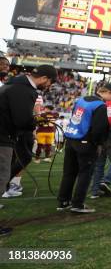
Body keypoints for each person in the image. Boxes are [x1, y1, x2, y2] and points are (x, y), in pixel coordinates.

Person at [0, 65, 57, 236]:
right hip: (2, 138)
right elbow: (22, 120)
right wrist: (37, 121)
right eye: (49, 83)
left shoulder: (13, 84)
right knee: (1, 177)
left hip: (4, 136)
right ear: (45, 78)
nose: (48, 87)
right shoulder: (23, 89)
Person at [57, 84, 111, 213]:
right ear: (108, 93)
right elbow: (99, 129)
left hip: (71, 139)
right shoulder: (100, 106)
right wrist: (98, 144)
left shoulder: (81, 100)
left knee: (69, 173)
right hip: (86, 143)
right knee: (85, 174)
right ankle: (78, 204)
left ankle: (63, 201)